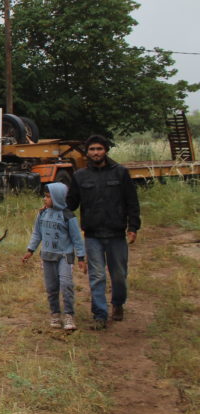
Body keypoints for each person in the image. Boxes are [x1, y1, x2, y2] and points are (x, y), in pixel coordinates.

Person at [67, 134, 140, 329]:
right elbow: (70, 204)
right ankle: (99, 314)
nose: (95, 152)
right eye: (92, 149)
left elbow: (132, 202)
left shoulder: (120, 173)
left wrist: (133, 227)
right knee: (97, 276)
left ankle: (118, 304)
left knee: (119, 275)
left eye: (99, 149)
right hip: (92, 235)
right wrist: (51, 206)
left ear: (106, 150)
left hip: (116, 234)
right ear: (87, 152)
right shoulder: (80, 176)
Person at [22, 182, 87, 330]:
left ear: (58, 197)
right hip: (47, 256)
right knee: (51, 287)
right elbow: (37, 233)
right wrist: (30, 250)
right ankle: (55, 314)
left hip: (64, 256)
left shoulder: (68, 216)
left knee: (66, 285)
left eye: (48, 197)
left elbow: (77, 238)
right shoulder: (42, 213)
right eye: (45, 197)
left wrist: (81, 257)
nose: (45, 200)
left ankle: (69, 315)